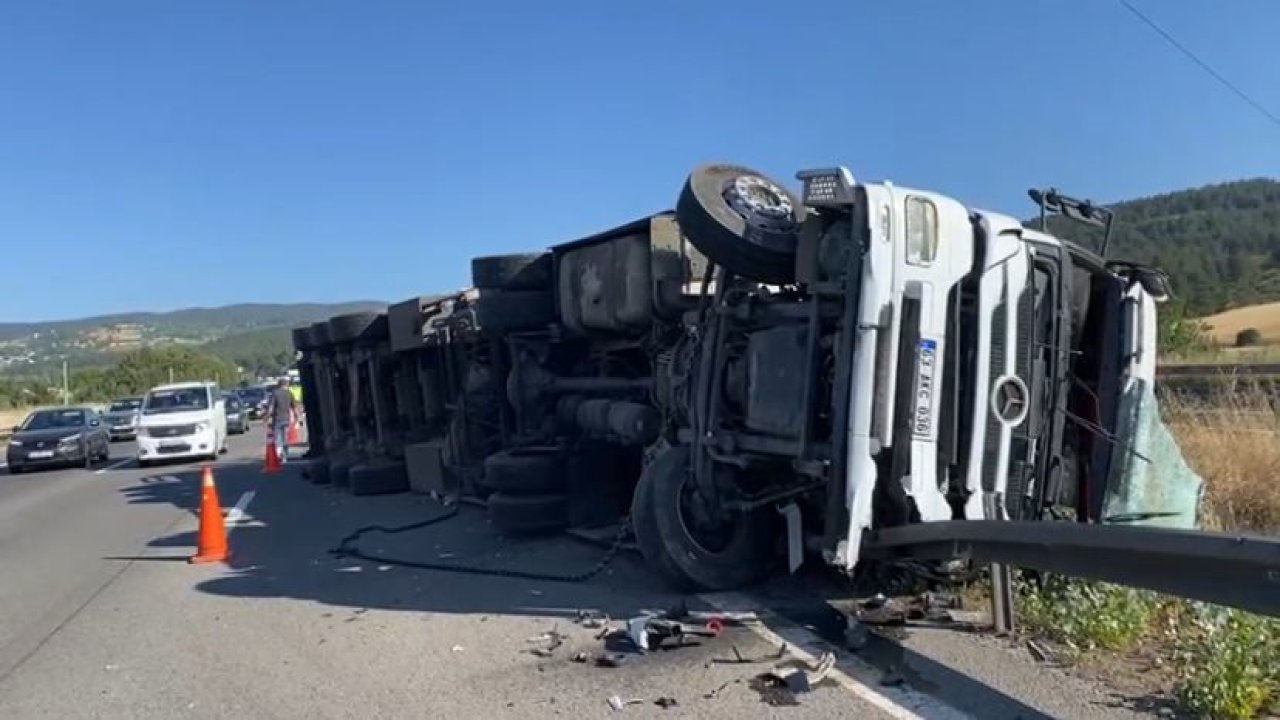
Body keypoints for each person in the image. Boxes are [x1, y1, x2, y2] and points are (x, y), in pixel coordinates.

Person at [265, 377, 297, 463]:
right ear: (286, 384)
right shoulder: (289, 393)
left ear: (279, 384)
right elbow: (294, 407)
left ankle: (279, 454)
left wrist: (267, 417)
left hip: (277, 419)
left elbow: (271, 407)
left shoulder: (275, 393)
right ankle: (285, 456)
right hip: (286, 419)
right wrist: (297, 418)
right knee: (285, 438)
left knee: (278, 438)